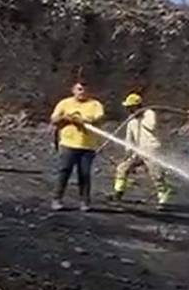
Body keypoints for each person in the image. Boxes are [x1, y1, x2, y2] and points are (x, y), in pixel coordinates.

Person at [51, 81, 105, 211]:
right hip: (68, 144)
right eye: (79, 89)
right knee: (64, 171)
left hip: (87, 146)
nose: (82, 92)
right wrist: (67, 118)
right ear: (73, 90)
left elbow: (98, 118)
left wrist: (84, 120)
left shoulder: (95, 104)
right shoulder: (64, 103)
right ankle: (57, 199)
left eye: (84, 90)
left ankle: (85, 202)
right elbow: (54, 119)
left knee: (85, 174)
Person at [113, 92, 171, 206]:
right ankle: (118, 193)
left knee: (156, 174)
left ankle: (163, 194)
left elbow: (152, 126)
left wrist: (140, 117)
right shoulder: (131, 120)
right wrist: (127, 152)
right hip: (138, 150)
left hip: (152, 149)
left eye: (130, 107)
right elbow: (129, 138)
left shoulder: (149, 113)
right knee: (122, 168)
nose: (128, 109)